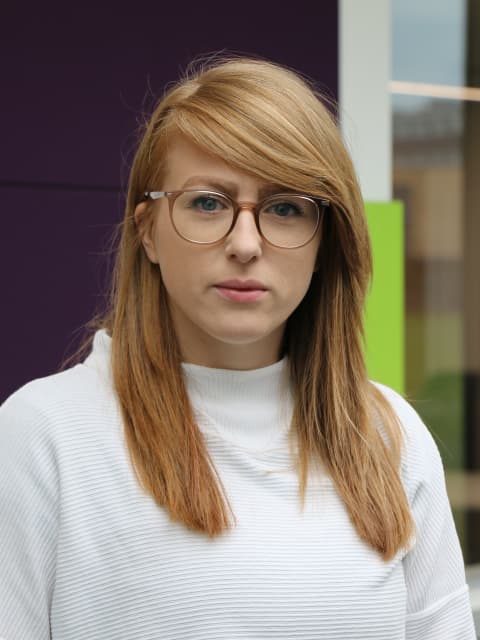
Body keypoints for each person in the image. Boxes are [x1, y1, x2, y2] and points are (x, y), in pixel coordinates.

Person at [0, 55, 476, 640]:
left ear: (325, 243)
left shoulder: (387, 436)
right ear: (147, 231)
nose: (246, 244)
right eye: (208, 202)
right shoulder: (44, 435)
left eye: (285, 208)